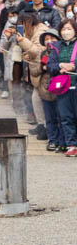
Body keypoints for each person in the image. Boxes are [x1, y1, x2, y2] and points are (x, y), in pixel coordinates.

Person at [46, 19, 77, 156]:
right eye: (63, 29)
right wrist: (60, 66)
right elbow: (50, 66)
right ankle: (71, 145)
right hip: (63, 88)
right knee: (65, 117)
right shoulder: (56, 47)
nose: (66, 32)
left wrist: (73, 67)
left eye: (69, 29)